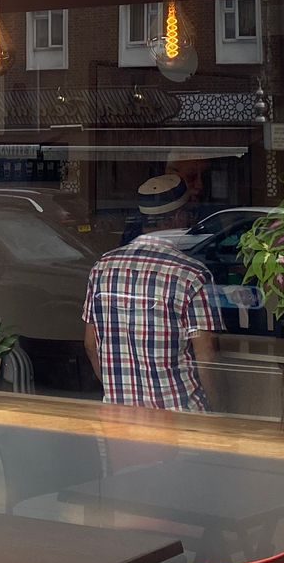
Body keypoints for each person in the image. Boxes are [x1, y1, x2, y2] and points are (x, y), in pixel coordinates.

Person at [83, 173, 216, 413]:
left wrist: (118, 392)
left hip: (120, 416)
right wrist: (219, 411)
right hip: (180, 416)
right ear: (179, 216)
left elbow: (91, 345)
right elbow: (205, 355)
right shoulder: (191, 274)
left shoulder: (103, 267)